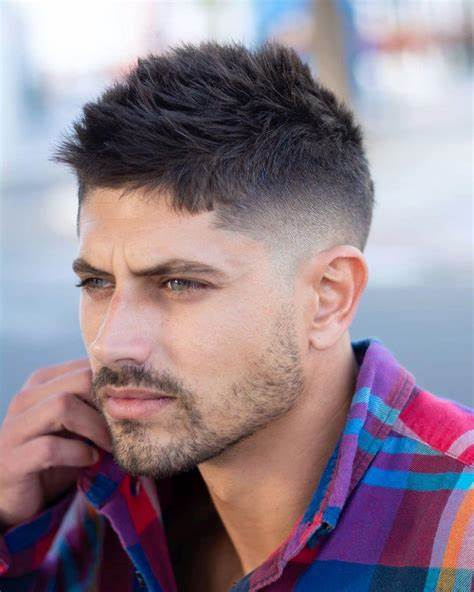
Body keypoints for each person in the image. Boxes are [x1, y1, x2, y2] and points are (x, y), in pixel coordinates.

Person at [0, 41, 472, 592]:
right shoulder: (105, 490)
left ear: (329, 296)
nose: (111, 343)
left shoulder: (459, 530)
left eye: (180, 283)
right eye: (97, 283)